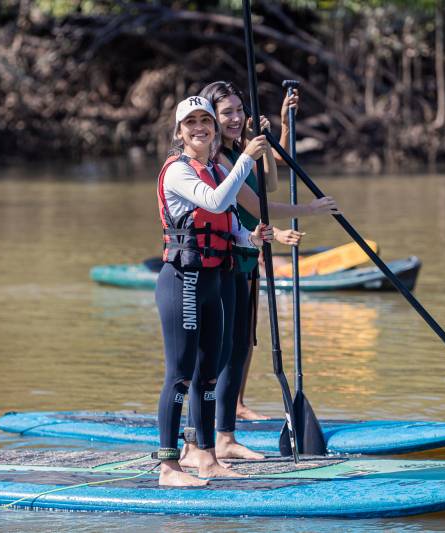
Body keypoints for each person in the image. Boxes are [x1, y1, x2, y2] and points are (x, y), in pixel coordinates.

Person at [178, 81, 339, 466]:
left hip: (246, 258)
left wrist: (276, 131)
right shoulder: (216, 162)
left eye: (238, 110)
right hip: (223, 262)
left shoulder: (237, 150)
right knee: (216, 356)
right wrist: (309, 210)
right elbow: (254, 204)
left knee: (237, 351)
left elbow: (267, 187)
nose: (234, 118)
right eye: (226, 112)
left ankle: (225, 436)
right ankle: (197, 441)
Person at [154, 95, 272, 487]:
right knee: (181, 374)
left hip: (212, 280)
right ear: (179, 131)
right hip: (182, 281)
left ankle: (205, 457)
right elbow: (216, 201)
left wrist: (256, 237)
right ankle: (169, 467)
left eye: (206, 120)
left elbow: (236, 229)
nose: (200, 128)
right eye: (192, 123)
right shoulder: (178, 172)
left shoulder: (214, 171)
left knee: (209, 373)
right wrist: (247, 159)